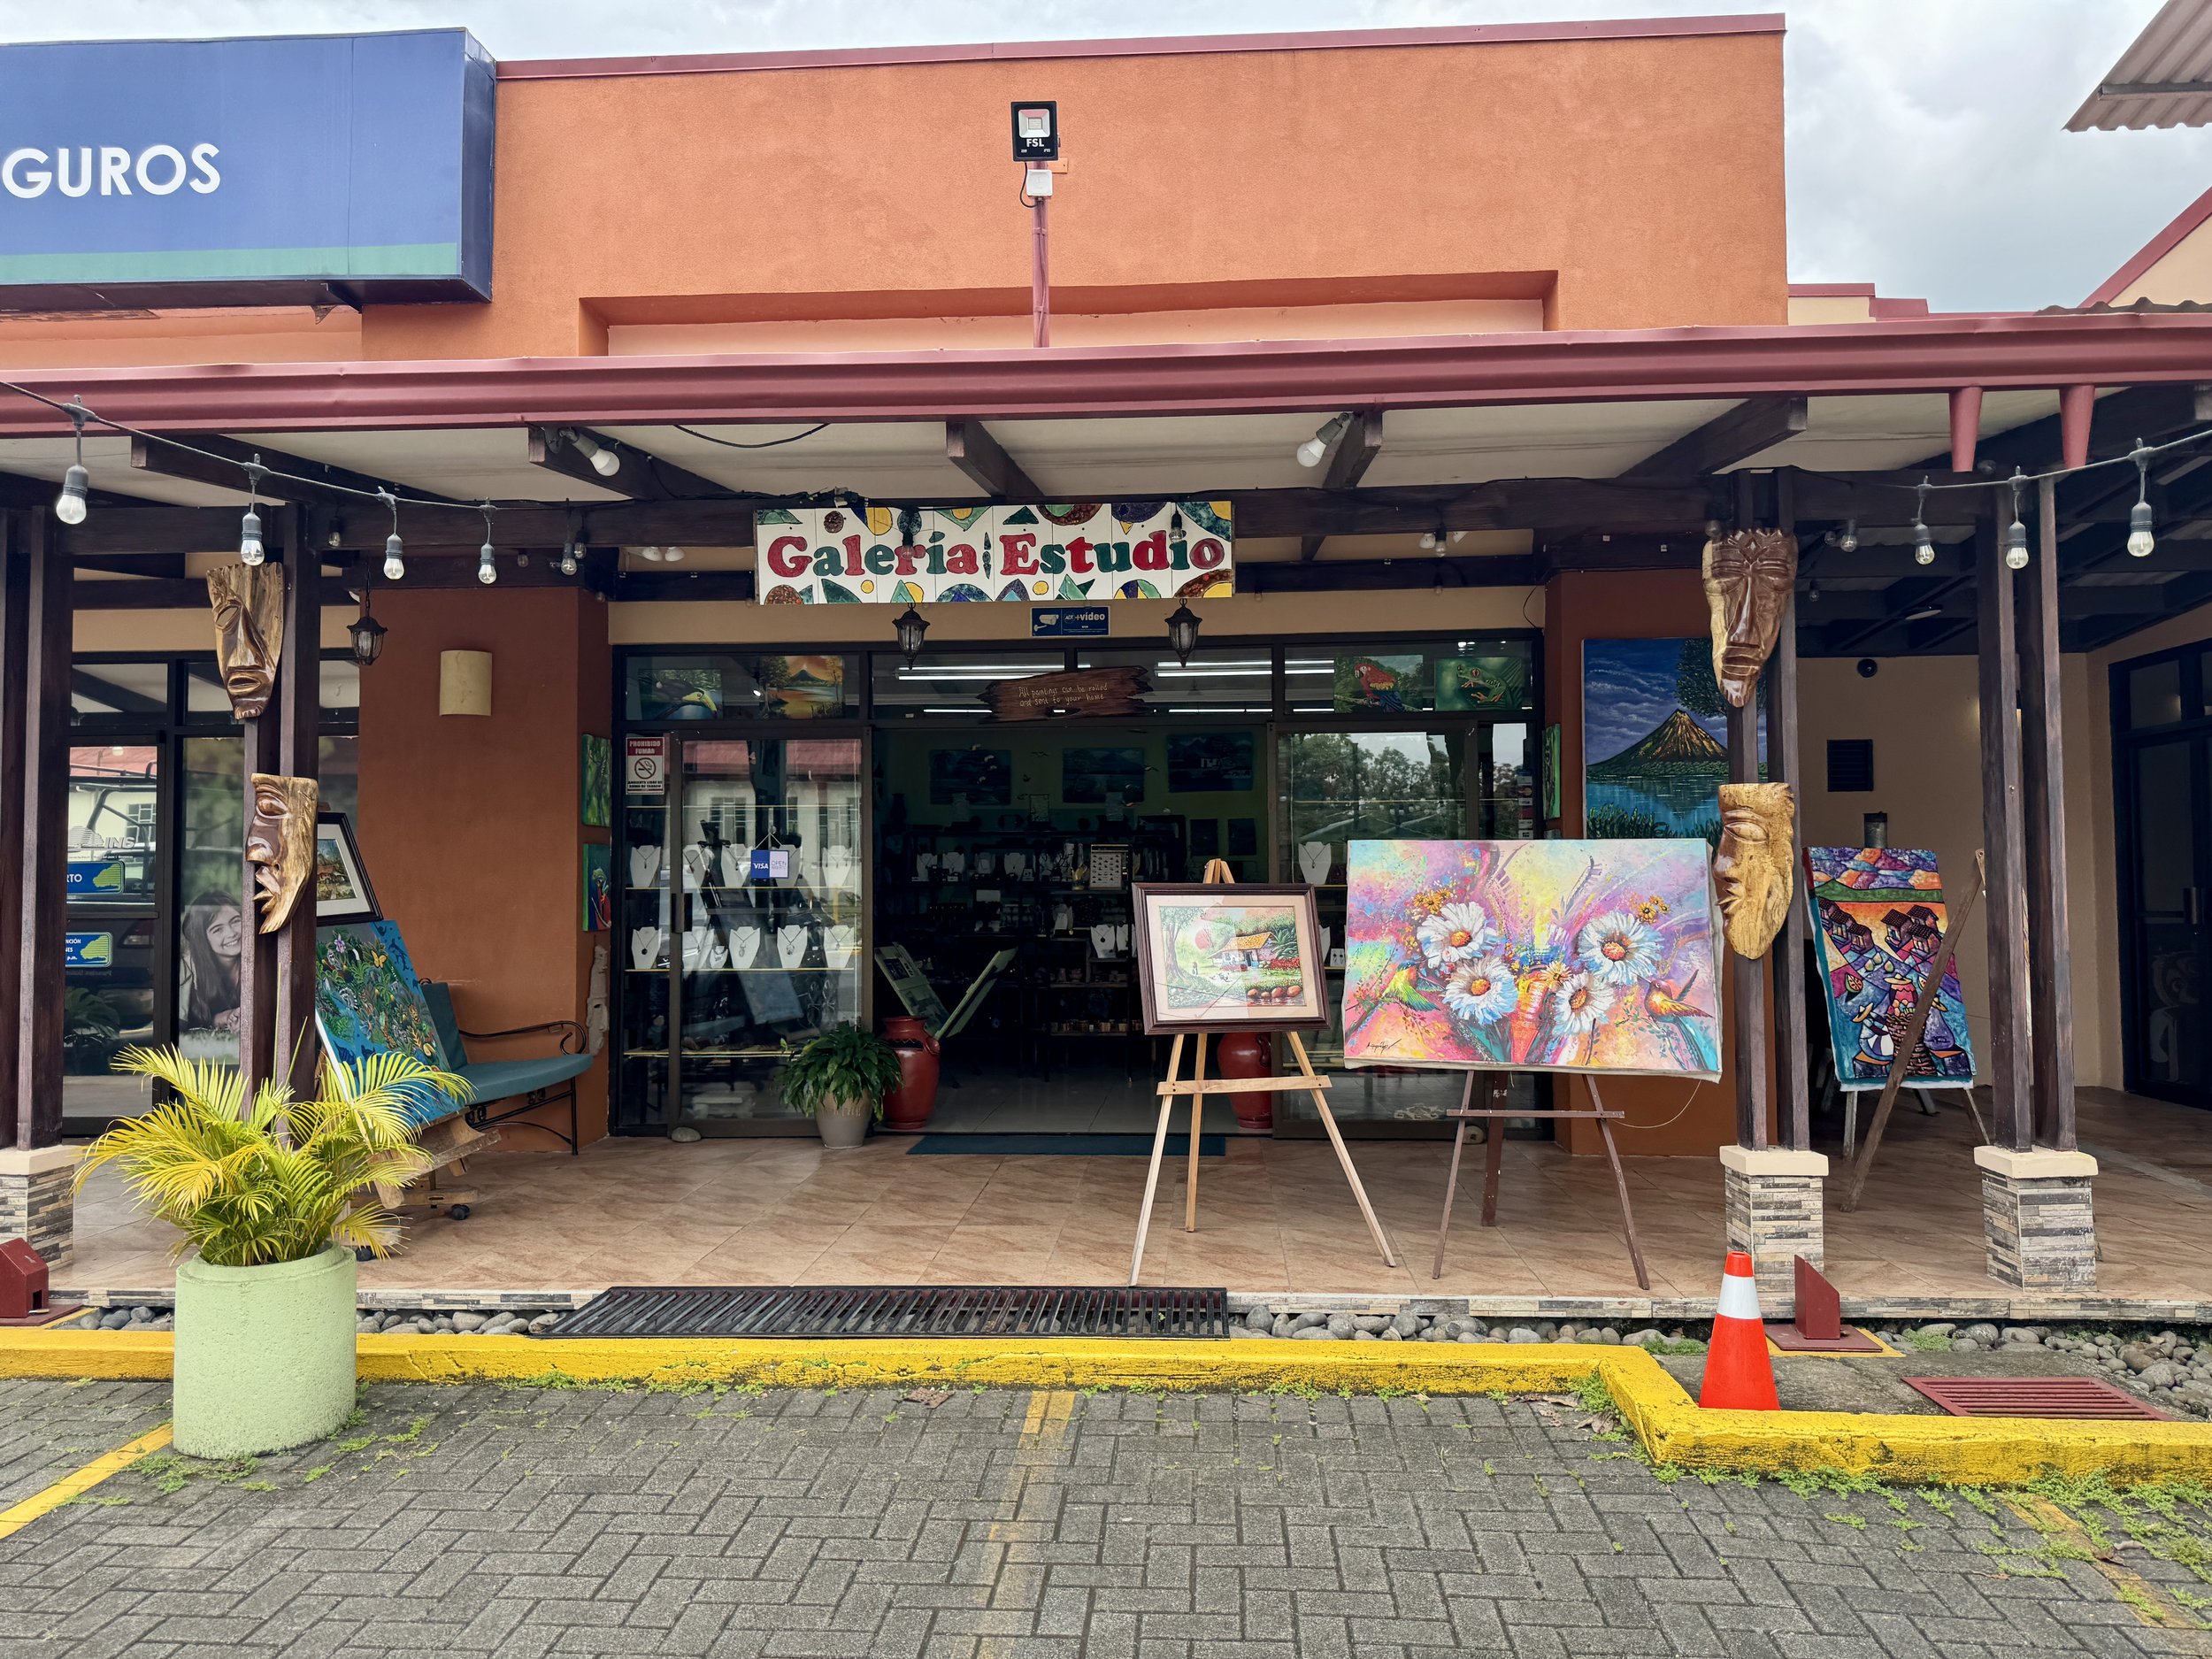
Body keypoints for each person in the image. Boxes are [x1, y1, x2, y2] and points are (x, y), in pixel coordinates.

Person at [179, 888, 243, 1039]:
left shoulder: (261, 958)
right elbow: (186, 1022)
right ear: (203, 939)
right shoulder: (189, 968)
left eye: (235, 921)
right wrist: (224, 1017)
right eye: (217, 930)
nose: (231, 933)